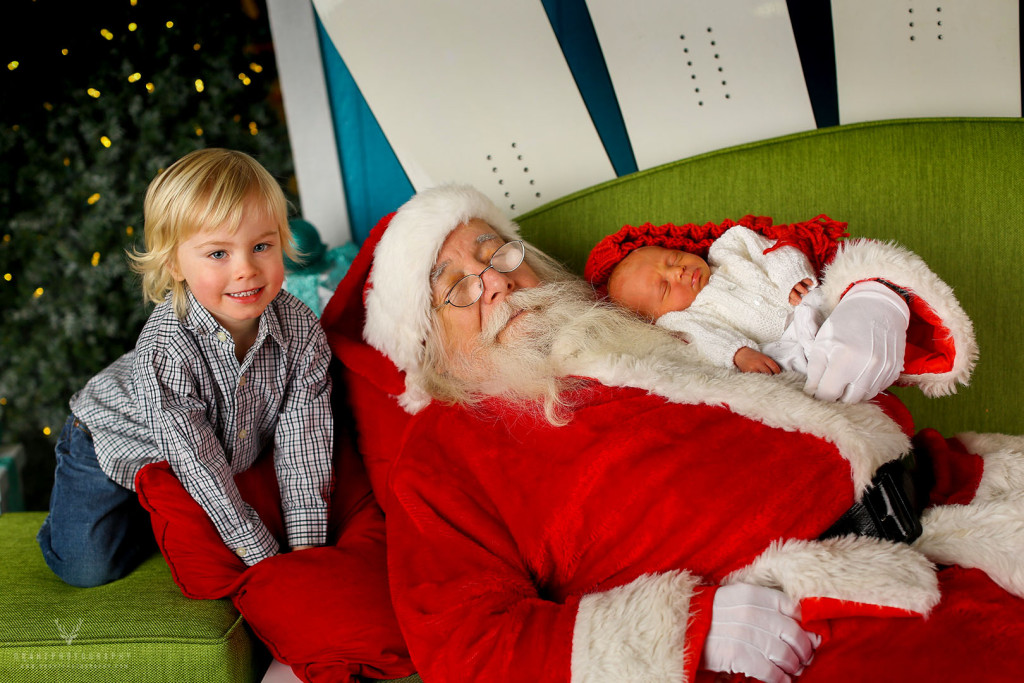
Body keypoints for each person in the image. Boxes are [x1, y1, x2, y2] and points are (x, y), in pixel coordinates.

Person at [322, 184, 1022, 683]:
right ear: (427, 343)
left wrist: (872, 300)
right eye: (457, 289)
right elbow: (467, 649)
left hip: (960, 498)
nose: (494, 284)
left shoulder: (628, 301)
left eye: (496, 254)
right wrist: (688, 629)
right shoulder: (443, 456)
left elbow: (782, 268)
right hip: (831, 621)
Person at [37, 148, 334, 588]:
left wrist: (307, 551)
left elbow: (303, 442)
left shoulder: (301, 330)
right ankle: (93, 519)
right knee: (87, 567)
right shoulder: (167, 346)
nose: (246, 270)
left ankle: (157, 512)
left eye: (261, 246)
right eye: (218, 254)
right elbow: (198, 463)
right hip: (108, 437)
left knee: (220, 529)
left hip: (199, 453)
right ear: (175, 263)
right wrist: (263, 556)